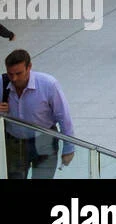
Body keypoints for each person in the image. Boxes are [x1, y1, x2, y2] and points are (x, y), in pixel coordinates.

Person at [1, 49, 76, 178]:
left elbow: (63, 116)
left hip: (44, 140)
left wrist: (69, 147)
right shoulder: (2, 83)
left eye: (19, 73)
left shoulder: (48, 84)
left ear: (29, 67)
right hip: (14, 143)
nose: (14, 78)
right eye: (10, 73)